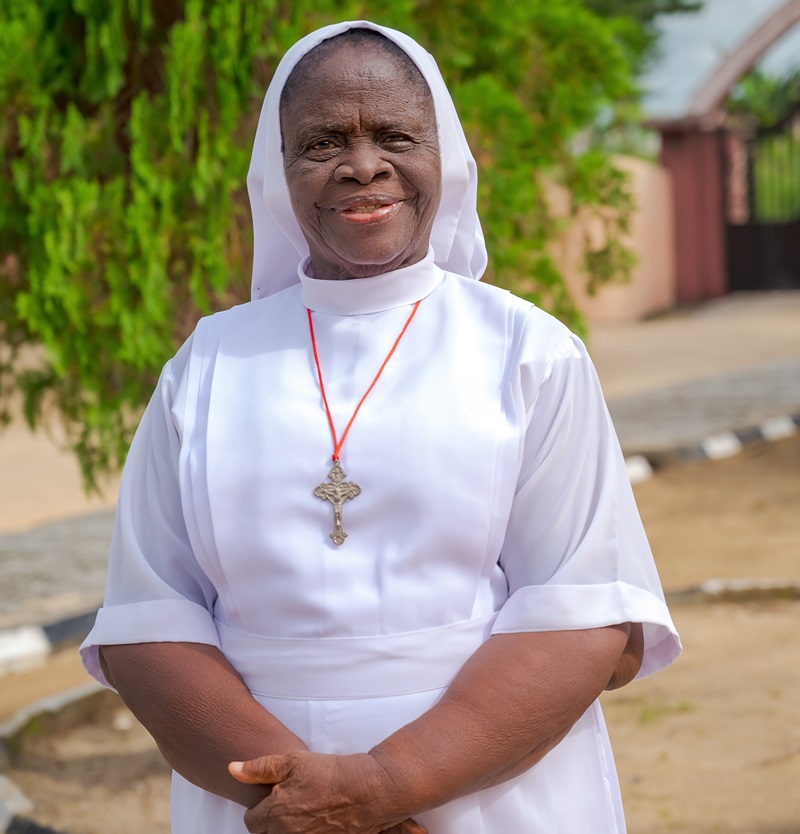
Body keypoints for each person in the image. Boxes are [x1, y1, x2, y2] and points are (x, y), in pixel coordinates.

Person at [80, 20, 681, 834]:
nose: (364, 165)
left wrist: (386, 788)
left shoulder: (528, 351)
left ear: (448, 155)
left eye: (396, 134)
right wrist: (307, 803)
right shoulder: (208, 365)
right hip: (263, 801)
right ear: (278, 168)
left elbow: (584, 617)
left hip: (489, 794)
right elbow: (147, 626)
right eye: (323, 141)